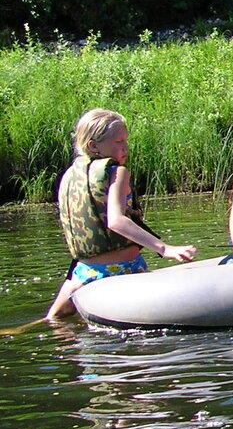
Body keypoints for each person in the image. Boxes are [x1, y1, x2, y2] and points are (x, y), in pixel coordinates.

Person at [47, 109, 198, 320]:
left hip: (84, 272)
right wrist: (165, 249)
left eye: (126, 140)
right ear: (93, 145)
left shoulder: (71, 176)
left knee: (54, 319)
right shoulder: (118, 172)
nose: (125, 147)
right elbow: (116, 221)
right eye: (118, 141)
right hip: (123, 269)